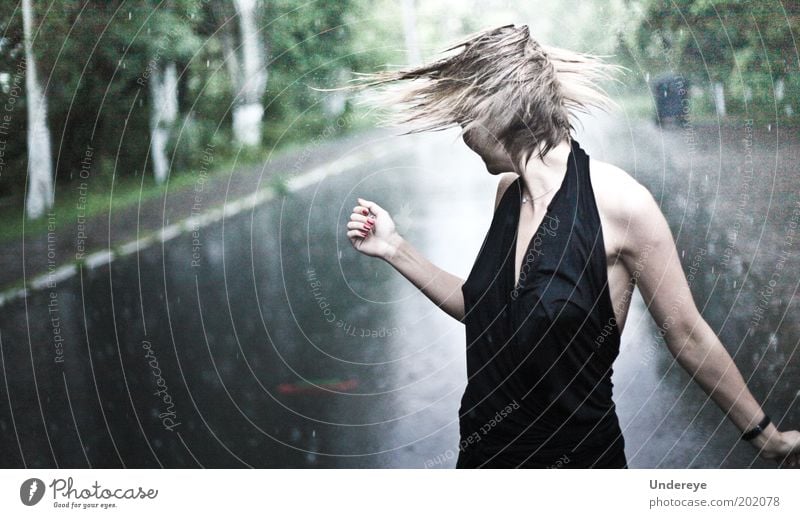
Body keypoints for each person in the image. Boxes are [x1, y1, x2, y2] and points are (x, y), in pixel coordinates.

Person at [343, 24, 800, 468]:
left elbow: (687, 333)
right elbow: (487, 312)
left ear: (498, 113)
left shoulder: (622, 204)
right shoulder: (509, 193)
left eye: (465, 119)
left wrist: (767, 437)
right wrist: (393, 247)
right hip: (484, 457)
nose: (463, 135)